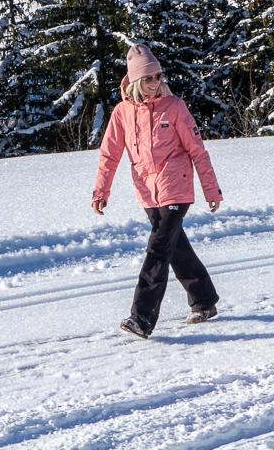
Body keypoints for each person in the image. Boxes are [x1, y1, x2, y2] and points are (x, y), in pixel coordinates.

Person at [92, 43, 224, 339]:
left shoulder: (174, 106)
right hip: (147, 191)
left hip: (176, 186)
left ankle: (142, 317)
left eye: (158, 76)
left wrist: (211, 190)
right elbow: (109, 155)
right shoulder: (122, 112)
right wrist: (101, 191)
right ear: (135, 80)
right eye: (149, 78)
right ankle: (204, 299)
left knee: (159, 248)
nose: (155, 82)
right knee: (175, 247)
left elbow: (197, 150)